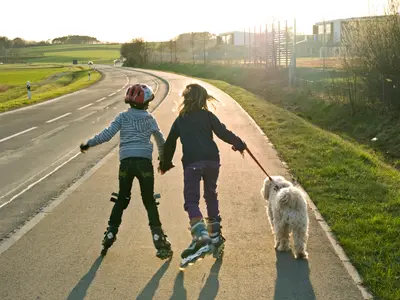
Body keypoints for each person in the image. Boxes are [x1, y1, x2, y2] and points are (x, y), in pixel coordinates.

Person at [80, 83, 172, 259]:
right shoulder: (150, 119)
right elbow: (161, 140)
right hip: (144, 164)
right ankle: (159, 239)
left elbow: (106, 135)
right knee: (149, 200)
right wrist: (163, 160)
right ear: (146, 102)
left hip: (126, 164)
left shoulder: (122, 117)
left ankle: (110, 234)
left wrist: (88, 143)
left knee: (122, 198)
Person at [159, 83, 246, 268]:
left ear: (186, 99)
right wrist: (239, 143)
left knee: (191, 201)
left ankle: (201, 237)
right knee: (211, 195)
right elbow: (223, 133)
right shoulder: (208, 116)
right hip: (212, 162)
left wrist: (165, 163)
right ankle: (215, 236)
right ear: (204, 99)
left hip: (192, 163)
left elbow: (170, 142)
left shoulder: (181, 119)